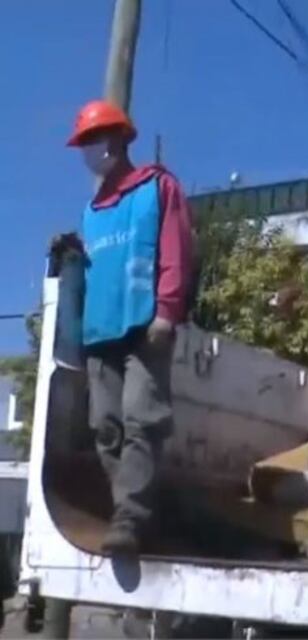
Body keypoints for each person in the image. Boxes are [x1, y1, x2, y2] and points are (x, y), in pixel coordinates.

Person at [64, 100, 195, 554]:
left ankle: (131, 518)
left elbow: (175, 249)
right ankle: (136, 514)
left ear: (120, 138)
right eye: (83, 143)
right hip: (100, 334)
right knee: (106, 428)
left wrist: (167, 310)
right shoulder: (92, 211)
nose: (89, 149)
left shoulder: (158, 188)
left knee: (143, 420)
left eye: (94, 139)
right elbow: (91, 267)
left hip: (145, 326)